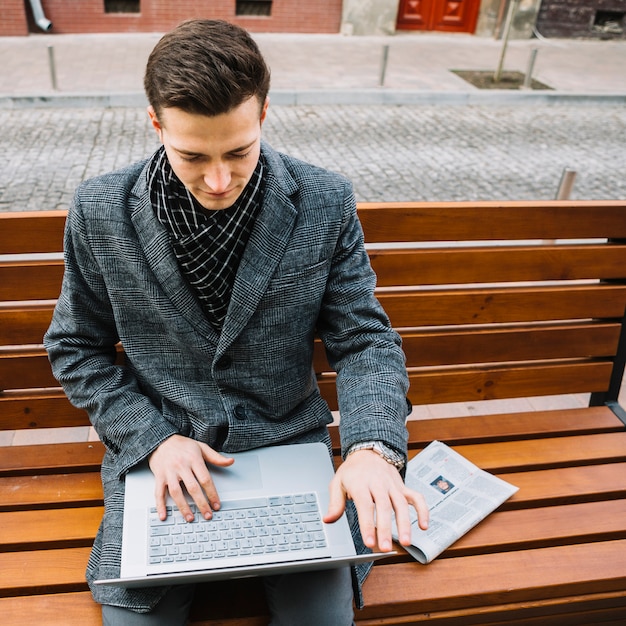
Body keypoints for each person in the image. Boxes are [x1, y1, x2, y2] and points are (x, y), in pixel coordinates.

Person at [44, 19, 429, 626]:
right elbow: (76, 348)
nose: (218, 180)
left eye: (239, 152)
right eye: (193, 155)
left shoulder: (324, 201)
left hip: (286, 446)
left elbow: (365, 341)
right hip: (162, 458)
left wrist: (371, 449)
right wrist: (152, 439)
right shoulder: (99, 211)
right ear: (155, 124)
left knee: (322, 622)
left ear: (264, 114)